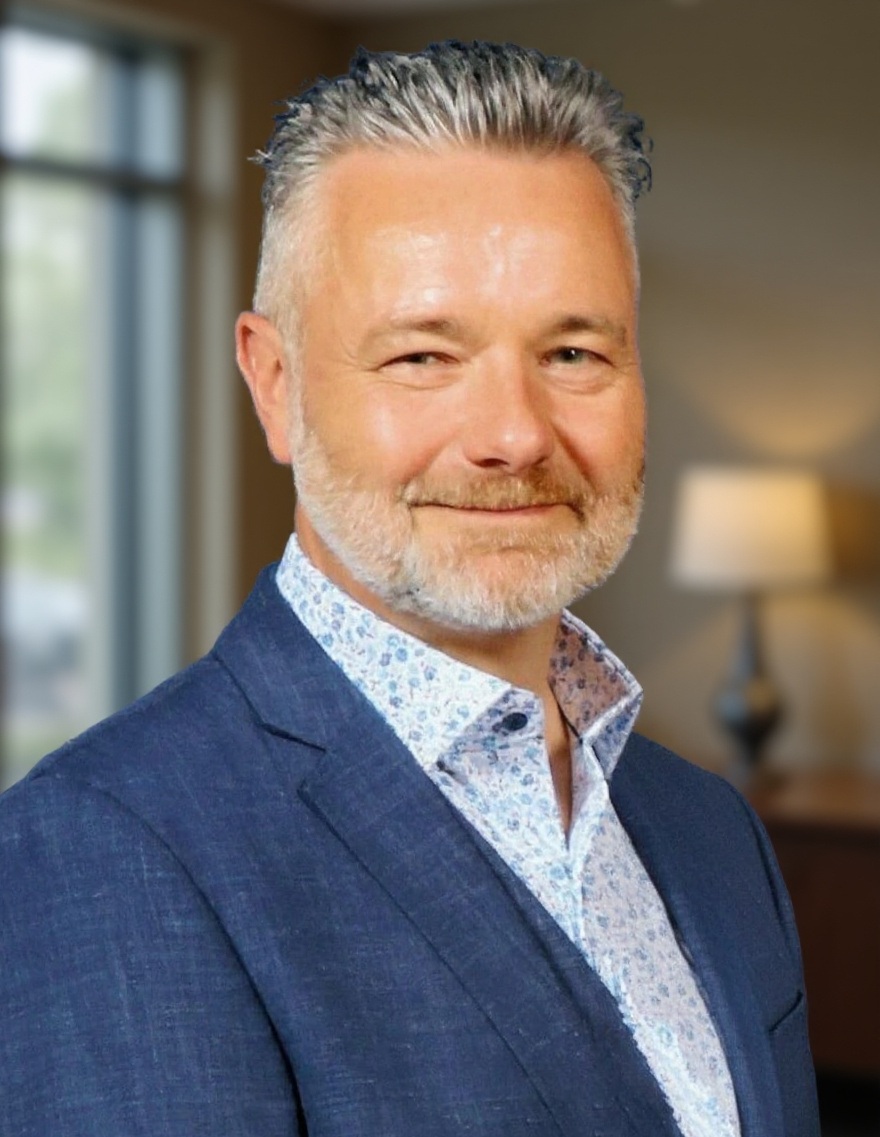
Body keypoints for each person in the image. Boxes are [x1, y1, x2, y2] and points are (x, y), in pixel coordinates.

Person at [0, 41, 817, 1137]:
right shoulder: (107, 849)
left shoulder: (711, 829)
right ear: (275, 384)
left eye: (573, 353)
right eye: (423, 357)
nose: (515, 435)